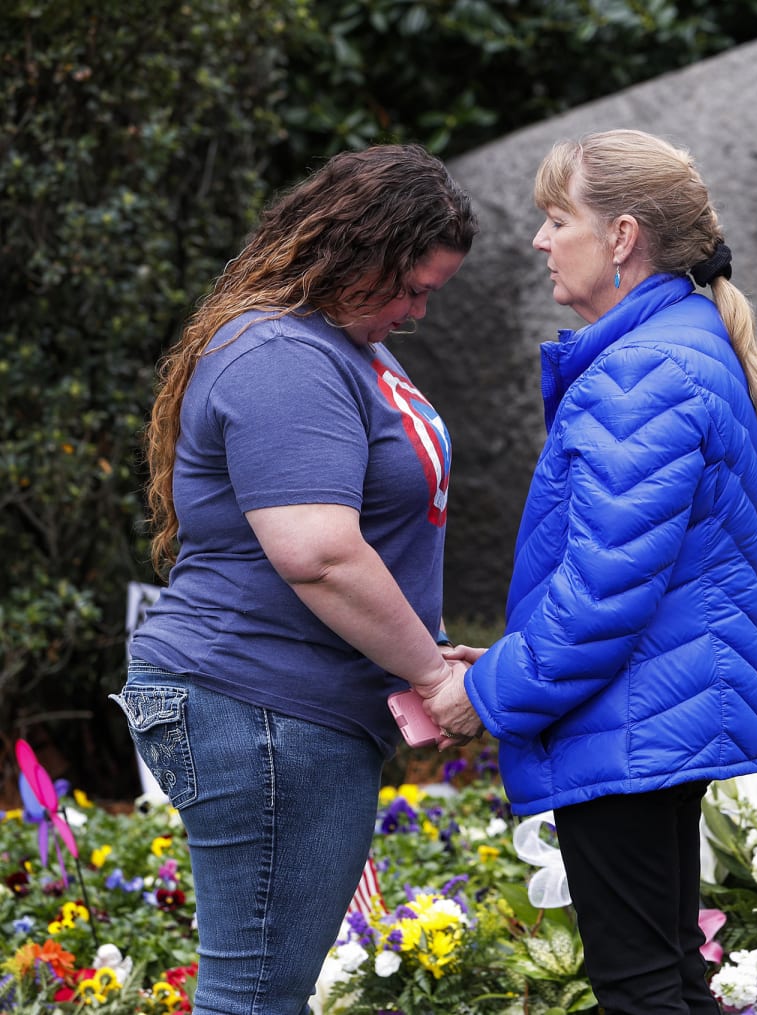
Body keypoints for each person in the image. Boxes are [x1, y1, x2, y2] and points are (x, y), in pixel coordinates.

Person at [114, 143, 485, 1015]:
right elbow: (316, 551)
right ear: (352, 253)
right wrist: (432, 677)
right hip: (260, 703)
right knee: (252, 1000)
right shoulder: (283, 355)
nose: (418, 311)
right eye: (410, 287)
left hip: (284, 706)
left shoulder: (337, 343)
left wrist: (420, 648)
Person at [439, 127, 757, 1014]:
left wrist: (484, 696)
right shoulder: (681, 346)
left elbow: (602, 594)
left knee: (644, 990)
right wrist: (507, 665)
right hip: (652, 712)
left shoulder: (643, 371)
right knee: (668, 978)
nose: (540, 239)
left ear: (623, 235)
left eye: (559, 218)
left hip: (628, 719)